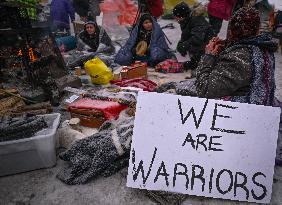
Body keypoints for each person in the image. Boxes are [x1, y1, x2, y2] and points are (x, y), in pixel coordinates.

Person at [195, 7, 276, 106]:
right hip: (261, 103)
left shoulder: (238, 57)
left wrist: (208, 56)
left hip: (241, 112)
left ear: (231, 30)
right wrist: (227, 46)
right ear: (257, 30)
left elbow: (204, 89)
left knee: (184, 90)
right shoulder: (263, 48)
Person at [172, 2, 214, 71]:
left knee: (190, 64)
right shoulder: (185, 20)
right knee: (179, 55)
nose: (175, 19)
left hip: (206, 48)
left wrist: (184, 46)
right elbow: (185, 36)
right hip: (197, 47)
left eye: (176, 16)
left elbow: (197, 39)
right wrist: (181, 44)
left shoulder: (197, 20)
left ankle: (195, 63)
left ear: (182, 16)